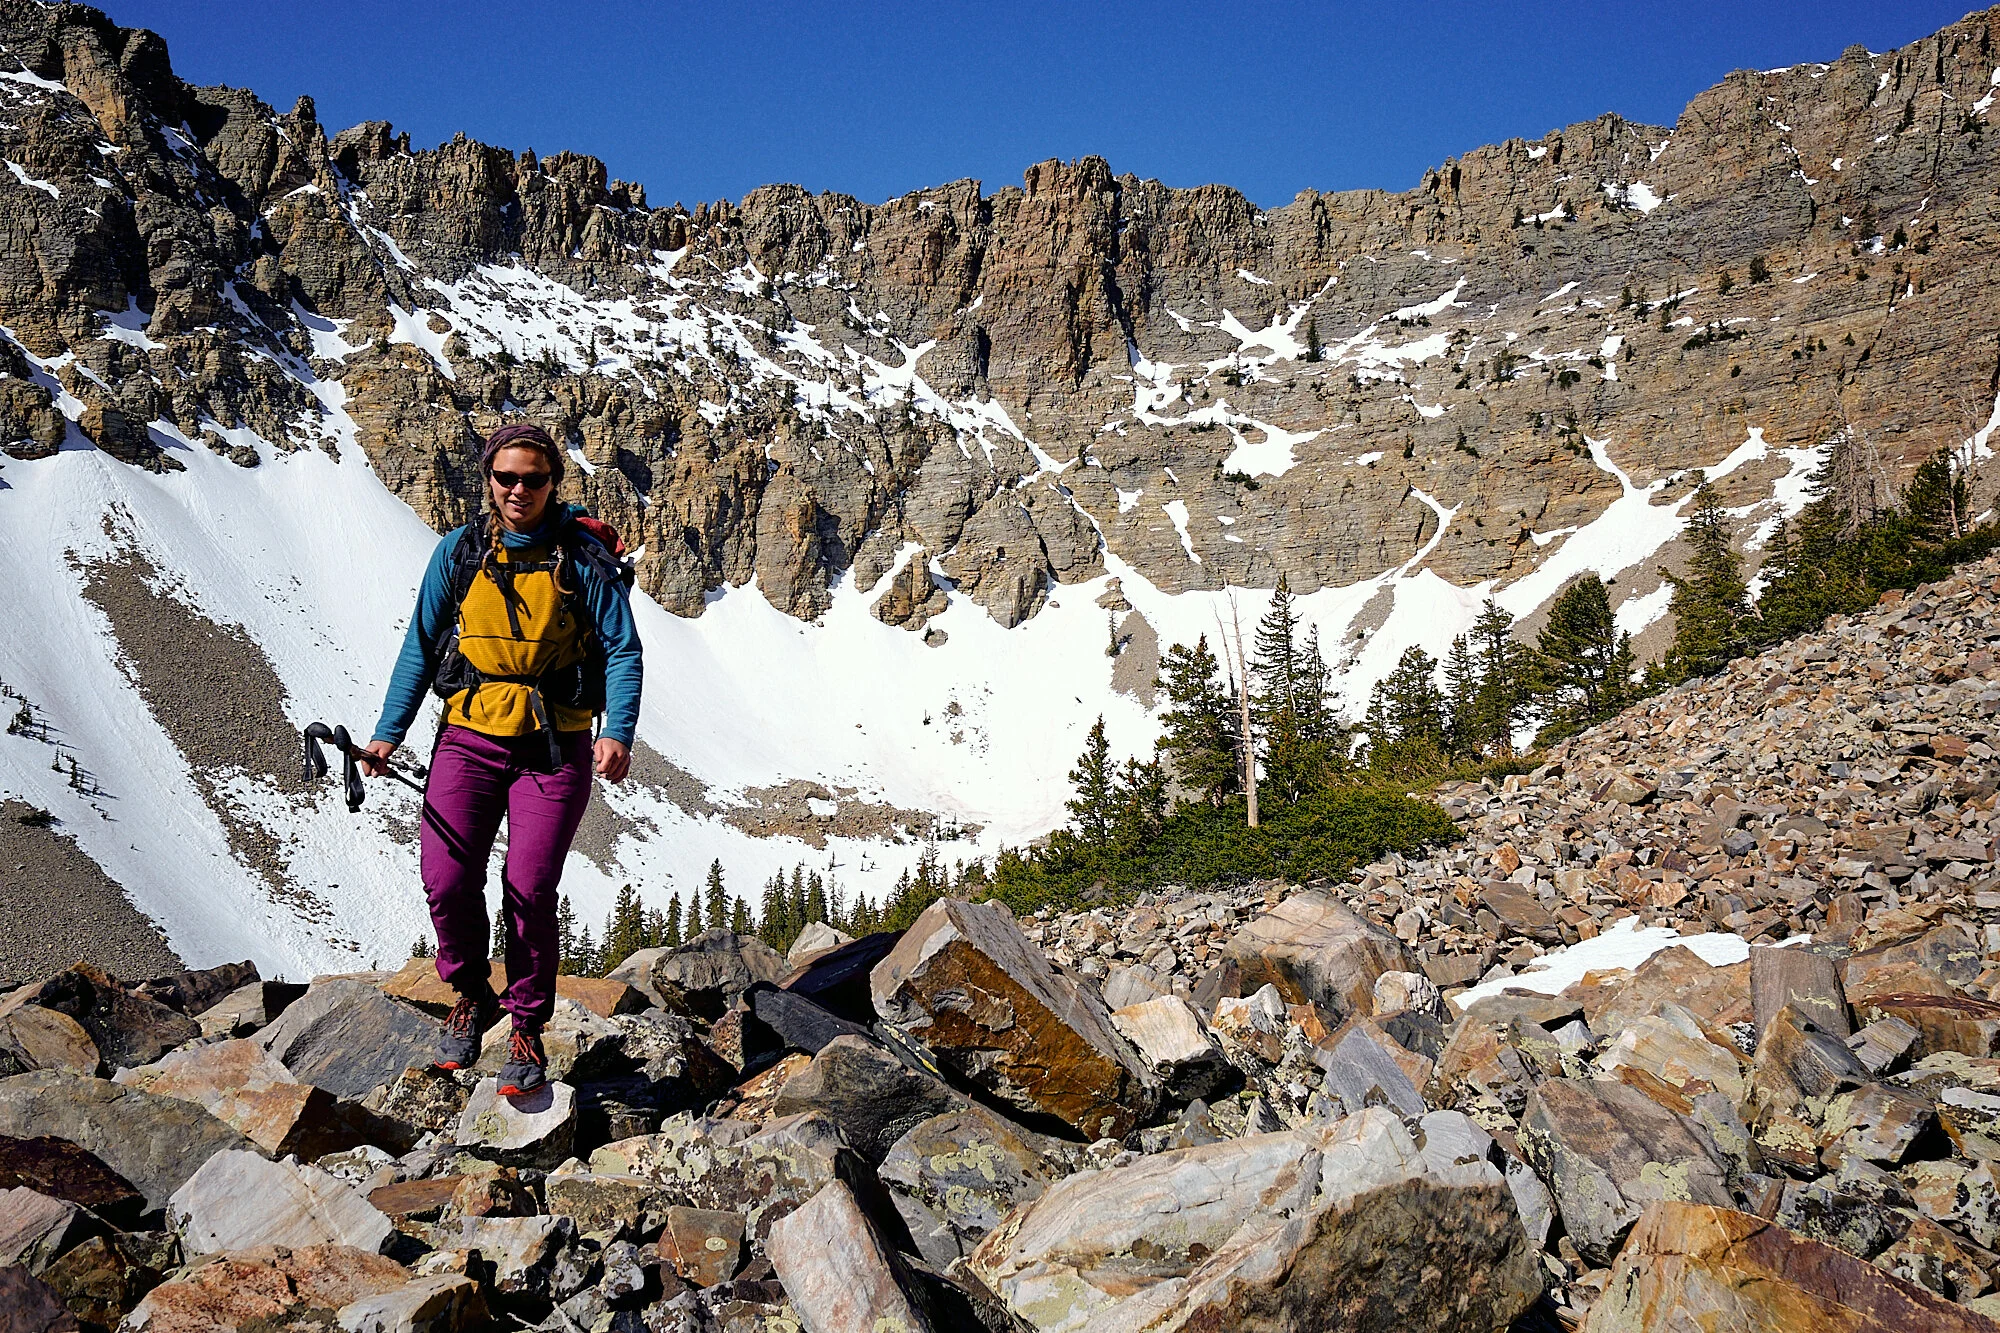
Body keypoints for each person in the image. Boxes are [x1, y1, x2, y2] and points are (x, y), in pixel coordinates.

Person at [362, 422, 642, 1095]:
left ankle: (526, 1022)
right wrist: (387, 733)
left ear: (553, 484)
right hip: (469, 735)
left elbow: (622, 649)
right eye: (506, 477)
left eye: (533, 479)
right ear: (489, 479)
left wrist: (618, 731)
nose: (519, 489)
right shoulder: (459, 552)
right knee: (446, 877)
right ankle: (470, 992)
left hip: (555, 743)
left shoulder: (581, 559)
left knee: (530, 887)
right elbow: (421, 643)